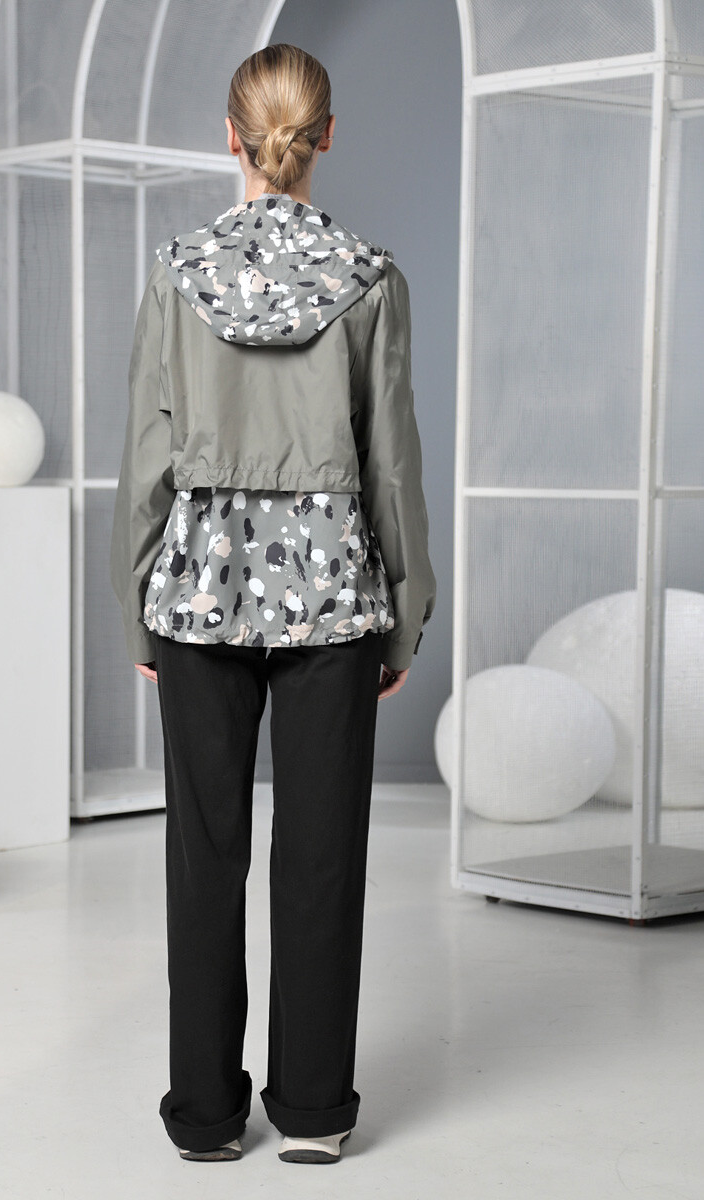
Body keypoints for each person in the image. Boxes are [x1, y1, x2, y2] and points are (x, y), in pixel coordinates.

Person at [109, 43, 436, 1165]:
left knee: (204, 856)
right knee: (321, 853)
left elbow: (146, 456)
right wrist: (406, 610)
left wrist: (138, 605)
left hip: (198, 590)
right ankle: (313, 1112)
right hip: (333, 596)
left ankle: (205, 1118)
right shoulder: (370, 278)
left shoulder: (177, 271)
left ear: (232, 137)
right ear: (325, 137)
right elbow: (392, 465)